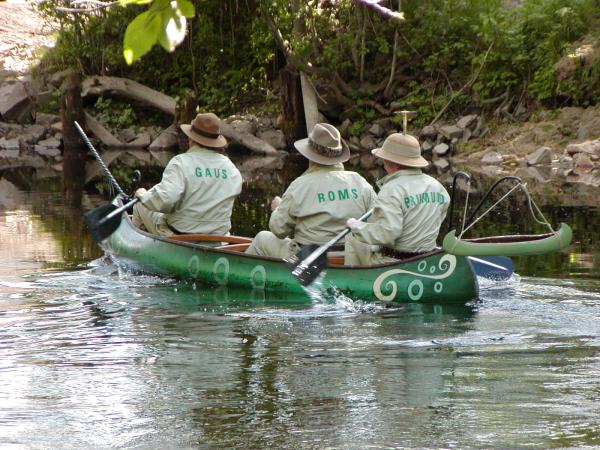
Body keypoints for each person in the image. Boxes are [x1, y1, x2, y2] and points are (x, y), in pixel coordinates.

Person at [245, 123, 376, 258]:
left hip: (308, 260)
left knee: (261, 238)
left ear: (309, 155)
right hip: (351, 258)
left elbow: (279, 230)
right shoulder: (359, 181)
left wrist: (278, 209)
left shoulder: (299, 186)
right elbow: (377, 223)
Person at [344, 132, 450, 266]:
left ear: (396, 164)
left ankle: (353, 281)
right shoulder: (437, 185)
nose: (383, 165)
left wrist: (356, 226)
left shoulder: (391, 189)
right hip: (425, 260)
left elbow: (387, 233)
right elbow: (439, 216)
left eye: (385, 160)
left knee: (352, 235)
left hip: (393, 262)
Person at [133, 112, 242, 236]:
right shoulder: (231, 168)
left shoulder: (180, 162)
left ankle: (137, 249)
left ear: (191, 139)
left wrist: (143, 196)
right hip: (218, 238)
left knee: (139, 205)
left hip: (180, 236)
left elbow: (166, 200)